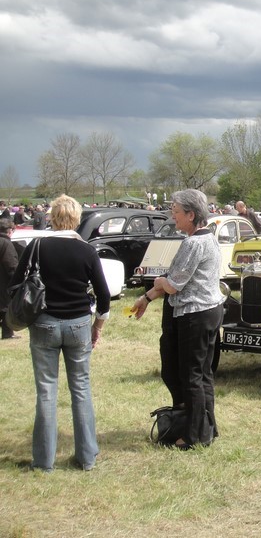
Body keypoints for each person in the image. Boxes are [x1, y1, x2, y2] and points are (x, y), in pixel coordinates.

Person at [11, 194, 110, 471]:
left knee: (46, 391)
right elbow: (103, 295)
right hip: (78, 323)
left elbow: (16, 283)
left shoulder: (37, 246)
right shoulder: (87, 251)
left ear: (52, 217)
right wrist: (97, 326)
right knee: (81, 389)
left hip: (43, 322)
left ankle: (43, 462)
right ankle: (87, 457)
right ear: (77, 219)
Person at [131, 189, 225, 449]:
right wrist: (147, 298)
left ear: (191, 215)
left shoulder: (193, 243)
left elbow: (173, 285)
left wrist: (159, 281)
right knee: (203, 374)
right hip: (209, 312)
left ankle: (193, 436)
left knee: (192, 376)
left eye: (176, 213)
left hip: (195, 315)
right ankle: (207, 429)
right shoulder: (209, 239)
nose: (173, 219)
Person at [0, 218, 23, 339]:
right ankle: (7, 333)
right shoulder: (6, 243)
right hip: (3, 281)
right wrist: (17, 279)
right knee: (5, 307)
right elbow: (11, 265)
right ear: (9, 230)